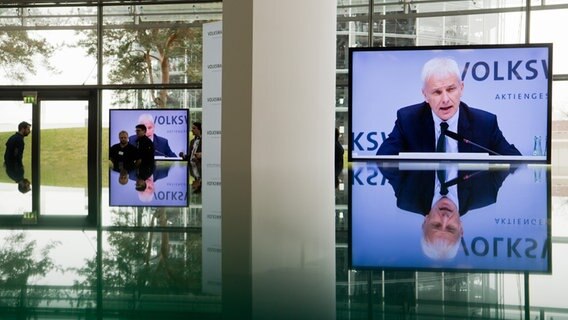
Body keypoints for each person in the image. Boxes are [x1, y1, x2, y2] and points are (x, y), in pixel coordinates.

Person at [377, 57, 521, 156]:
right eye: (437, 92)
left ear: (461, 88)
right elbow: (383, 161)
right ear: (425, 95)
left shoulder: (484, 123)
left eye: (451, 89)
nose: (445, 99)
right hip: (425, 199)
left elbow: (515, 161)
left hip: (465, 198)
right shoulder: (408, 120)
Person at [379, 165, 512, 260]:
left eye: (436, 225)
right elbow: (511, 159)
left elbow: (384, 159)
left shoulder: (407, 196)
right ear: (461, 228)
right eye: (450, 228)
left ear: (425, 221)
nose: (445, 218)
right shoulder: (485, 194)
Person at [3, 121, 32, 194]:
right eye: (28, 129)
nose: (29, 131)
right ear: (22, 129)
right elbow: (17, 156)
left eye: (28, 185)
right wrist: (20, 164)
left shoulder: (12, 137)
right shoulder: (16, 175)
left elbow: (7, 154)